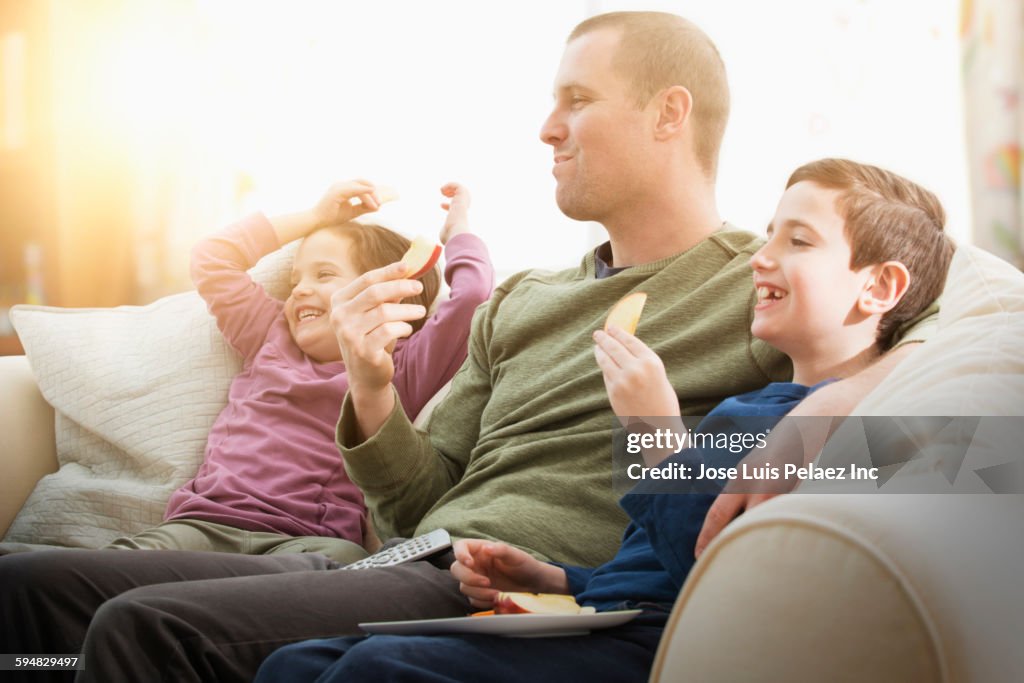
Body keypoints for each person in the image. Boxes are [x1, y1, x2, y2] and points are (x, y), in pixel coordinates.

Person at [0, 13, 930, 683]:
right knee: (32, 598)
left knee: (139, 629)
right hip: (403, 561)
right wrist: (371, 387)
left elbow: (931, 354)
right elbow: (418, 501)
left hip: (516, 597)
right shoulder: (524, 298)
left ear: (667, 113)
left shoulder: (765, 290)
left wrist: (855, 396)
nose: (545, 127)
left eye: (575, 100)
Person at [252, 158, 955, 682]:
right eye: (768, 235)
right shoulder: (748, 415)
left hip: (651, 650)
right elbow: (651, 568)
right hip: (601, 615)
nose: (761, 257)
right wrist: (559, 579)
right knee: (296, 662)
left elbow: (724, 578)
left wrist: (653, 437)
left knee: (381, 667)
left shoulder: (844, 430)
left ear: (881, 287)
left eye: (797, 241)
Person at [95, 180, 493, 564]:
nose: (299, 290)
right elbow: (212, 258)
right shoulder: (271, 334)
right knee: (97, 571)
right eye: (294, 280)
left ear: (386, 289)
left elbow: (472, 297)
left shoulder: (401, 365)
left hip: (307, 542)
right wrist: (315, 215)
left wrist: (457, 231)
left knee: (343, 567)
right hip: (203, 527)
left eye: (323, 275)